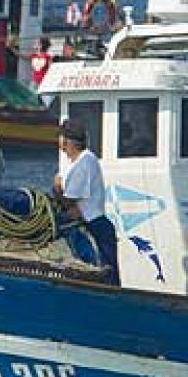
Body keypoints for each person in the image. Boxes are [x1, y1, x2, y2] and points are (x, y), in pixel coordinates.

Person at [53, 119, 118, 285]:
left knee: (106, 276)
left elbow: (70, 201)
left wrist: (57, 189)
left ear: (66, 141)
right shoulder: (73, 163)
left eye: (61, 138)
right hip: (87, 224)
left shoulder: (85, 161)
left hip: (95, 226)